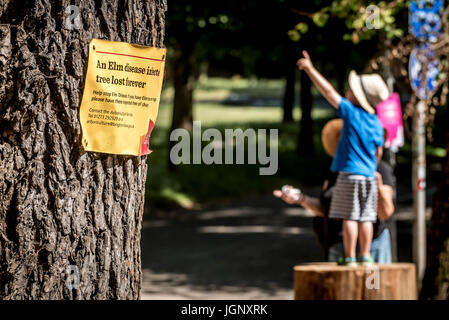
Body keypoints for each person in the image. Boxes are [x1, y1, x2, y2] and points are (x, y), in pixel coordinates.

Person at [295, 51, 389, 266]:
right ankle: (365, 255)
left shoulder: (351, 113)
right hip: (368, 176)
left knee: (349, 216)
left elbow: (328, 92)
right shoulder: (376, 123)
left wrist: (310, 69)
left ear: (358, 97)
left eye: (352, 90)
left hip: (349, 175)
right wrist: (371, 166)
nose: (348, 91)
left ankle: (349, 256)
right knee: (366, 216)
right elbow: (379, 152)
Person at [273, 119, 395, 263]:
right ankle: (351, 257)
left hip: (373, 246)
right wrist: (300, 198)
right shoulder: (335, 171)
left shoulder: (379, 170)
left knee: (372, 286)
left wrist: (378, 186)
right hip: (336, 244)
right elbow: (327, 209)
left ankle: (361, 254)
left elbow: (385, 212)